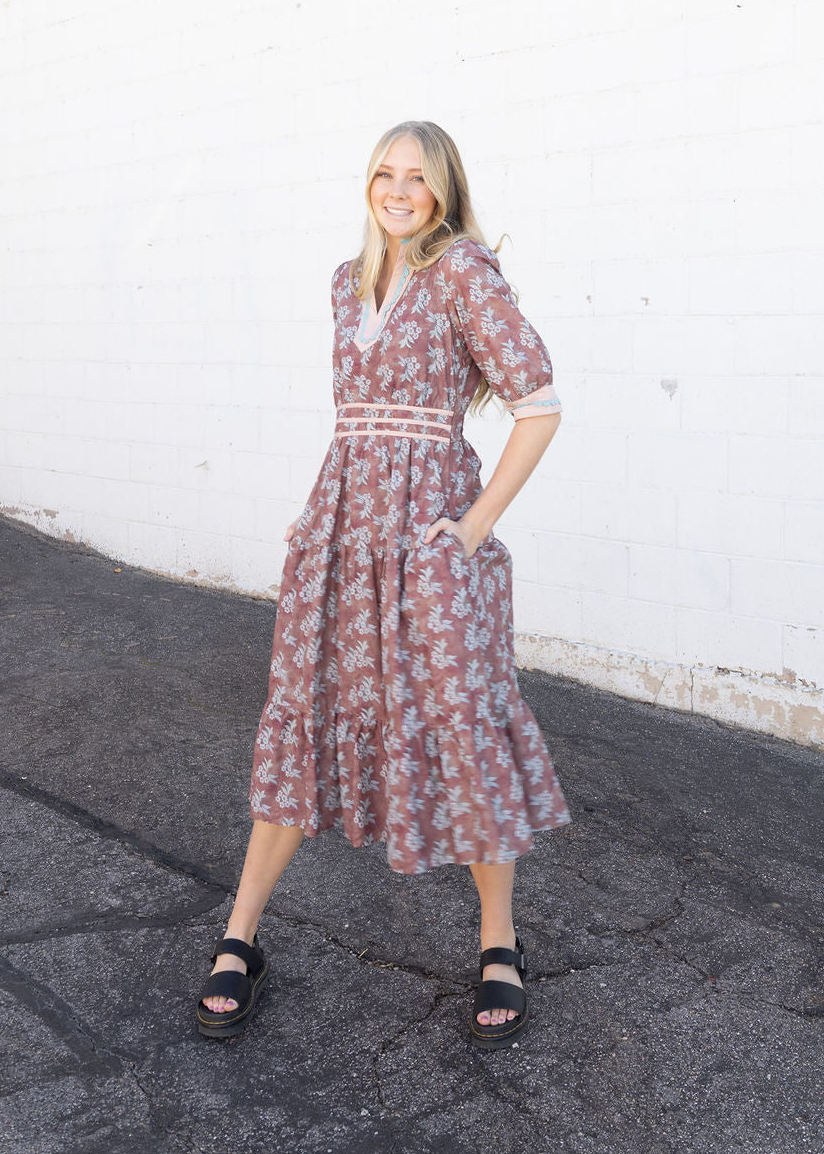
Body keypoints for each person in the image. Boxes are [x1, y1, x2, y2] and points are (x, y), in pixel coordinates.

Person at [195, 120, 573, 1050]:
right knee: (306, 708)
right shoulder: (344, 282)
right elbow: (355, 425)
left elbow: (541, 405)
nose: (398, 189)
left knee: (460, 722)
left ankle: (497, 945)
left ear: (444, 191)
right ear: (368, 182)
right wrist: (317, 510)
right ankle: (239, 936)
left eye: (417, 177)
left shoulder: (462, 276)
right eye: (384, 173)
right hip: (342, 531)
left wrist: (474, 528)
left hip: (430, 545)